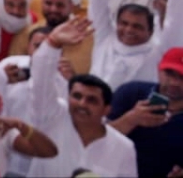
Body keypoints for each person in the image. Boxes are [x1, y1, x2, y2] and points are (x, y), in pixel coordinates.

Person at [26, 16, 137, 178]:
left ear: (106, 109)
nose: (82, 104)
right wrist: (53, 44)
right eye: (77, 96)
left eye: (92, 100)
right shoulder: (51, 117)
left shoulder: (123, 148)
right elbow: (41, 81)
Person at [108, 47, 183, 178]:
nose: (175, 82)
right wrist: (131, 119)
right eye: (169, 73)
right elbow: (94, 137)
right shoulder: (131, 93)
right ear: (159, 69)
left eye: (182, 77)